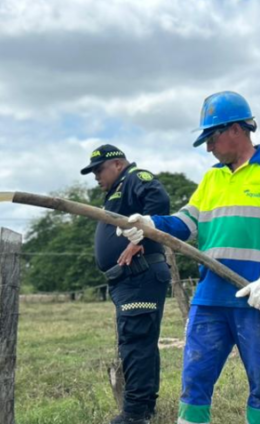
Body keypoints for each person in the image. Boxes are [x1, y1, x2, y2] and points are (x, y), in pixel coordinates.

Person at [117, 92, 260, 424]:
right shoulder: (212, 178)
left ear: (236, 129)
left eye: (211, 137)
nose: (208, 147)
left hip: (259, 297)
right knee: (195, 378)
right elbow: (185, 224)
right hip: (210, 297)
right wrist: (149, 225)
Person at [81, 143, 172, 424]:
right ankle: (145, 407)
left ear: (118, 164)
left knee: (134, 342)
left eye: (99, 169)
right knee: (141, 341)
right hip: (130, 278)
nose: (96, 176)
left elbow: (160, 201)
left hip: (139, 274)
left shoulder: (134, 179)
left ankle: (134, 415)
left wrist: (140, 239)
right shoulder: (117, 191)